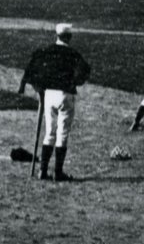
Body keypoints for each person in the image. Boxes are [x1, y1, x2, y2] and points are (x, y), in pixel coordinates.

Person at [18, 23, 92, 181]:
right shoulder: (73, 53)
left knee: (49, 133)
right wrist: (74, 82)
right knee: (62, 134)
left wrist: (39, 87)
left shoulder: (46, 51)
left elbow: (32, 67)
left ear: (57, 35)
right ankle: (58, 173)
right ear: (69, 37)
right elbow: (85, 71)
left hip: (49, 96)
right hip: (65, 95)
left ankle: (42, 171)